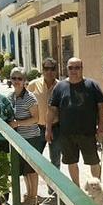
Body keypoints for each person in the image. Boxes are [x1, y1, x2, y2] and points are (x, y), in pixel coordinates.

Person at [46, 57, 103, 186]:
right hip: (67, 134)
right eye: (71, 67)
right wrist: (48, 129)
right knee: (71, 162)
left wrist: (101, 127)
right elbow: (51, 110)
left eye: (77, 67)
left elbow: (102, 106)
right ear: (66, 69)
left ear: (82, 69)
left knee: (94, 162)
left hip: (88, 133)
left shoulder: (92, 85)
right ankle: (77, 188)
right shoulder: (60, 87)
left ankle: (97, 188)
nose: (74, 70)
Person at [8, 67, 44, 205]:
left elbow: (36, 118)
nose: (17, 81)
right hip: (18, 139)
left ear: (24, 81)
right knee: (24, 170)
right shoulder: (10, 97)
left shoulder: (30, 98)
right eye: (14, 78)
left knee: (31, 169)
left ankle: (33, 197)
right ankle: (29, 195)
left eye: (20, 78)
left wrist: (18, 124)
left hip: (31, 138)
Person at [28, 58, 63, 195]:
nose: (49, 72)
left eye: (52, 69)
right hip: (37, 128)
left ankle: (53, 188)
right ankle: (33, 191)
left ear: (56, 70)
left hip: (56, 128)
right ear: (42, 70)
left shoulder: (61, 86)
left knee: (55, 160)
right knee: (35, 159)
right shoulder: (32, 85)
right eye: (46, 69)